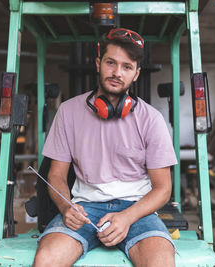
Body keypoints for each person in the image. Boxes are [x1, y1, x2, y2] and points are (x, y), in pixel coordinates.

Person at [33, 28, 177, 267]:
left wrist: (127, 217)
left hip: (136, 209)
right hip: (84, 208)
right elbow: (56, 175)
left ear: (136, 74)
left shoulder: (151, 119)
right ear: (99, 63)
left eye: (127, 67)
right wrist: (65, 206)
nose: (117, 73)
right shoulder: (68, 112)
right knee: (46, 260)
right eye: (111, 63)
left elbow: (163, 189)